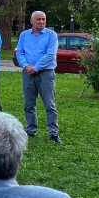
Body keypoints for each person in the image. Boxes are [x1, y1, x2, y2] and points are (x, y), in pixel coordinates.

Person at [15, 10, 60, 143]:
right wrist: (26, 66)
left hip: (45, 73)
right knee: (29, 104)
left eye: (43, 19)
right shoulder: (24, 35)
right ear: (31, 21)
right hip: (28, 73)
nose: (41, 22)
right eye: (38, 19)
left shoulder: (52, 35)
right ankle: (30, 130)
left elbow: (51, 54)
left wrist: (36, 68)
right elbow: (19, 52)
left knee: (49, 104)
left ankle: (53, 133)